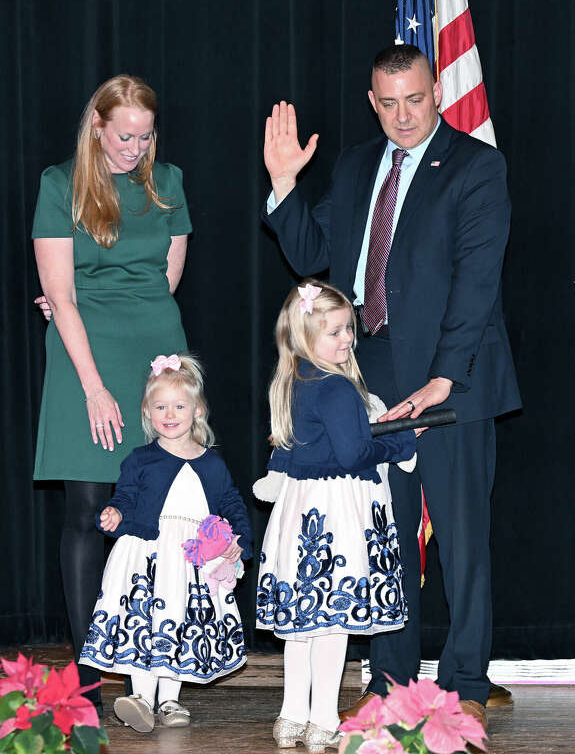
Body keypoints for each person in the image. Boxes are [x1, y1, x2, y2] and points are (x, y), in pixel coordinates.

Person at [261, 44, 521, 730]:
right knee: (384, 537)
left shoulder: (476, 165)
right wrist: (286, 186)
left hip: (452, 381)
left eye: (415, 98)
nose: (403, 115)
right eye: (389, 102)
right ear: (371, 101)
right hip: (367, 381)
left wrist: (445, 375)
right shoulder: (351, 165)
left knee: (462, 540)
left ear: (437, 93)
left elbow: (477, 282)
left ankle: (465, 681)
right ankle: (389, 683)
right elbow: (315, 260)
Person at [31, 74, 191, 712]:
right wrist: (94, 389)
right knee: (88, 511)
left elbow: (168, 277)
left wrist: (157, 365)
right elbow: (61, 295)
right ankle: (90, 678)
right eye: (124, 136)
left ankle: (154, 669)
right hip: (82, 353)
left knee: (161, 511)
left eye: (144, 137)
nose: (134, 148)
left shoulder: (169, 182)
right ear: (96, 126)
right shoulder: (58, 184)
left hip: (155, 352)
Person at [253, 282, 417, 752]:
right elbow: (354, 454)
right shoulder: (338, 389)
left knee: (305, 624)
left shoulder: (294, 380)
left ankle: (290, 717)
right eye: (335, 332)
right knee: (332, 622)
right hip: (335, 513)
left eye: (348, 329)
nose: (347, 339)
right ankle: (323, 718)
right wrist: (402, 440)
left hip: (301, 510)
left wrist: (381, 430)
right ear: (306, 337)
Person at [78, 353, 252, 732]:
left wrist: (239, 538)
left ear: (197, 410)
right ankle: (140, 698)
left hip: (189, 559)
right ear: (147, 411)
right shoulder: (140, 460)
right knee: (146, 620)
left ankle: (170, 701)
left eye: (178, 405)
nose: (169, 414)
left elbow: (232, 504)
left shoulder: (211, 463)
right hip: (147, 555)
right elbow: (123, 497)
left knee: (177, 621)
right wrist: (115, 514)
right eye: (160, 406)